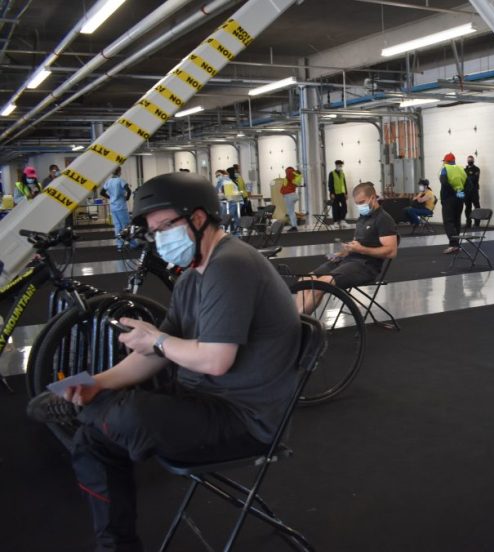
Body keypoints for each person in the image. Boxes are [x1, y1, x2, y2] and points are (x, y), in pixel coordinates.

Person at [25, 172, 301, 551]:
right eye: (153, 231)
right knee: (95, 437)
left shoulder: (231, 264)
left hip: (243, 420)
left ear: (199, 218)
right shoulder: (191, 278)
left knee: (124, 417)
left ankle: (88, 410)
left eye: (165, 226)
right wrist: (97, 382)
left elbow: (216, 360)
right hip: (201, 402)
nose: (159, 239)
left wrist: (156, 339)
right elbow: (155, 354)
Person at [296, 182, 398, 313]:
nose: (360, 206)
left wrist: (361, 249)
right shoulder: (363, 217)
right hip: (348, 261)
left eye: (362, 202)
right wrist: (343, 252)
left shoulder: (384, 219)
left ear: (373, 197)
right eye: (358, 204)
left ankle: (298, 324)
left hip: (366, 267)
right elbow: (357, 244)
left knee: (319, 285)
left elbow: (391, 252)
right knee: (304, 280)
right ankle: (299, 320)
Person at [100, 167, 135, 250]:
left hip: (113, 206)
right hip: (121, 206)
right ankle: (131, 243)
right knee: (126, 225)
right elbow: (129, 190)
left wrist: (110, 197)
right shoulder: (120, 180)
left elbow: (102, 192)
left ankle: (119, 245)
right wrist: (127, 198)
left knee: (117, 226)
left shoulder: (108, 181)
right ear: (119, 171)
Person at [440, 152, 466, 254]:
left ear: (446, 161)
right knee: (456, 221)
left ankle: (453, 245)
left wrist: (451, 193)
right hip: (460, 197)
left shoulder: (445, 169)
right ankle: (456, 245)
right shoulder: (461, 169)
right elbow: (469, 185)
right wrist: (461, 194)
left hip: (449, 198)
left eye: (444, 161)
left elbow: (444, 182)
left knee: (448, 221)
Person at [328, 159, 348, 229]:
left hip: (342, 193)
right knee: (335, 208)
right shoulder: (332, 173)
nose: (340, 167)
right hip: (335, 193)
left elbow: (344, 183)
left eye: (341, 165)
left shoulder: (342, 173)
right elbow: (330, 184)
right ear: (336, 165)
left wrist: (346, 193)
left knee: (344, 207)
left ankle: (342, 220)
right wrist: (331, 193)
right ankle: (335, 222)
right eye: (339, 165)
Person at [282, 166, 303, 232]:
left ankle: (294, 226)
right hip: (293, 195)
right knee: (290, 212)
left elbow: (288, 172)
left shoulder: (290, 174)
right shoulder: (296, 177)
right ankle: (293, 224)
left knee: (291, 212)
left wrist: (289, 170)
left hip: (289, 195)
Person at [463, 155, 482, 229]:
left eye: (471, 160)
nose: (469, 161)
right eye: (468, 160)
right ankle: (468, 223)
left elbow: (474, 179)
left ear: (473, 161)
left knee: (477, 207)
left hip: (474, 191)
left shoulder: (476, 169)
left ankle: (477, 223)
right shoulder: (464, 169)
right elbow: (463, 179)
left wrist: (467, 177)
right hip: (466, 191)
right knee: (468, 208)